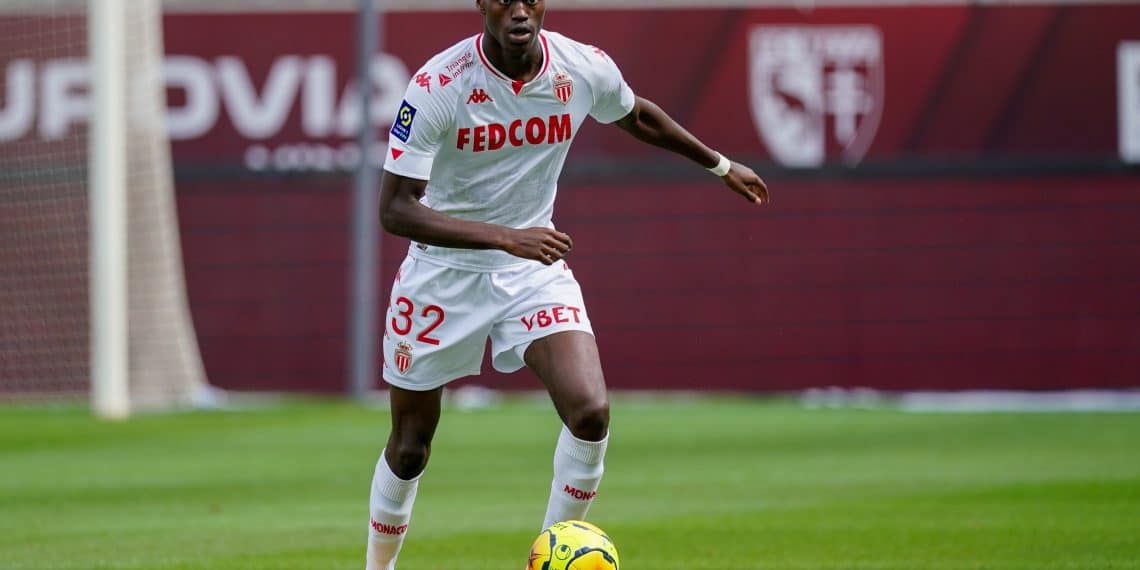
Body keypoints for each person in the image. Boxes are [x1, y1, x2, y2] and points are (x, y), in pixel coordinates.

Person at [366, 1, 769, 567]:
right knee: (410, 448)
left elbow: (638, 115)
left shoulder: (581, 68)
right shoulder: (439, 84)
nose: (519, 10)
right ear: (482, 4)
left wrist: (721, 166)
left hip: (533, 269)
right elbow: (394, 210)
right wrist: (506, 237)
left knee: (590, 413)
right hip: (442, 272)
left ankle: (549, 558)